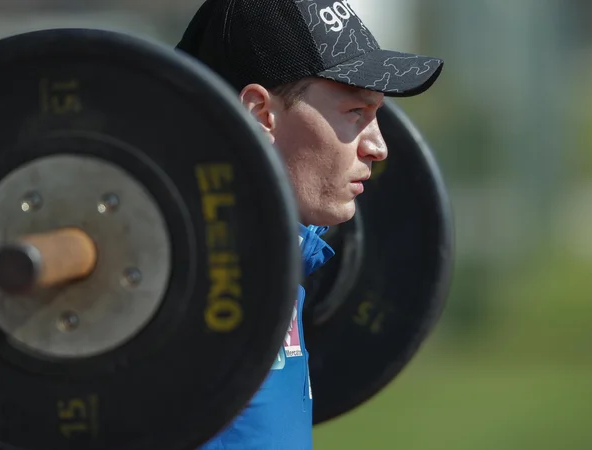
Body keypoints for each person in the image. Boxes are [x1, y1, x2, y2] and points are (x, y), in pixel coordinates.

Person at [176, 0, 443, 448]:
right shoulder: (178, 294)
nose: (379, 147)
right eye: (355, 113)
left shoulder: (283, 265)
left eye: (376, 114)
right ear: (260, 114)